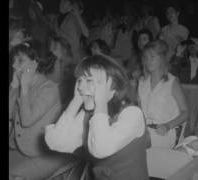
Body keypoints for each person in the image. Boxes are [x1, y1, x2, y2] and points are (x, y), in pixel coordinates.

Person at [45, 55, 150, 180]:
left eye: (89, 80)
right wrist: (75, 102)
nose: (80, 87)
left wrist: (100, 102)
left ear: (112, 86)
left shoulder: (132, 113)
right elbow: (56, 142)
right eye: (79, 80)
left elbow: (101, 148)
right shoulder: (89, 114)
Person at [9, 42, 70, 180]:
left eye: (20, 61)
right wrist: (13, 85)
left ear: (34, 64)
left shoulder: (48, 89)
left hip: (37, 153)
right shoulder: (20, 84)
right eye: (13, 61)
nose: (14, 65)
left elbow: (26, 120)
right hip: (16, 147)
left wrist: (23, 89)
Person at [138, 40, 189, 149]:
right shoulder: (141, 82)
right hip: (145, 131)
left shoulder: (172, 82)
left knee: (135, 143)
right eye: (146, 57)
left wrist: (167, 126)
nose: (148, 61)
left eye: (152, 57)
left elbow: (185, 112)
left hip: (166, 132)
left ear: (162, 58)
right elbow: (139, 111)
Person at [54, 0, 89, 65]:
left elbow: (86, 34)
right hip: (61, 54)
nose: (73, 8)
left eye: (76, 7)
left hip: (74, 56)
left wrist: (77, 15)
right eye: (61, 2)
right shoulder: (59, 18)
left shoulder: (77, 18)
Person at [48, 35, 76, 106]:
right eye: (51, 48)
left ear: (65, 50)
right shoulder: (54, 65)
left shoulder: (71, 70)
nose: (51, 51)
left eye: (55, 48)